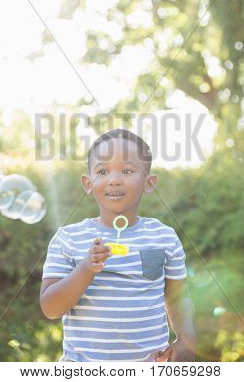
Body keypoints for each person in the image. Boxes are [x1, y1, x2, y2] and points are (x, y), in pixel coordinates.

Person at [40, 128, 196, 362]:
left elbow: (177, 298)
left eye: (127, 170)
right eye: (102, 171)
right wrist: (85, 270)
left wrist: (185, 341)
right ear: (88, 183)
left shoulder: (164, 237)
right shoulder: (68, 239)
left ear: (149, 182)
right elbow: (50, 308)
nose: (114, 179)